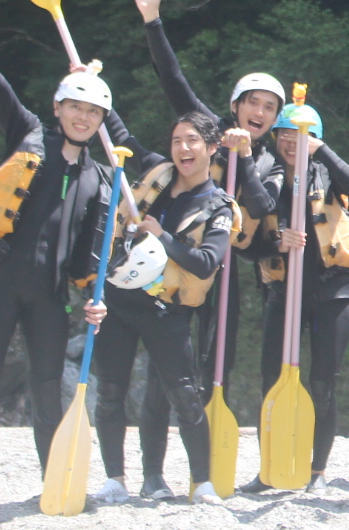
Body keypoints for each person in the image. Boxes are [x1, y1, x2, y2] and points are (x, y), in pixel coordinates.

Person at [0, 0, 118, 517]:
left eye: (92, 111)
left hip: (48, 296)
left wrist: (94, 298)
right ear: (59, 108)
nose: (82, 117)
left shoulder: (99, 179)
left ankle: (51, 482)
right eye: (75, 107)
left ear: (101, 119)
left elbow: (87, 259)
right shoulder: (28, 135)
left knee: (46, 391)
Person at [123, 0, 283, 400]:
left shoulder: (272, 160)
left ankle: (209, 434)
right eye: (253, 102)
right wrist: (153, 20)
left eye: (269, 107)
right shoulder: (208, 131)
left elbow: (262, 205)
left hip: (222, 262)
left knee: (218, 357)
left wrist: (245, 157)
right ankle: (159, 436)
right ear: (236, 106)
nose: (260, 112)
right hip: (176, 252)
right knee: (167, 355)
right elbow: (173, 82)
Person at [85, 110, 240, 506]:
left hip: (164, 308)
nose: (183, 148)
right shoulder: (158, 175)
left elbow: (206, 261)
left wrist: (162, 236)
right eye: (176, 141)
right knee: (111, 392)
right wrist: (95, 91)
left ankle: (201, 482)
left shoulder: (219, 207)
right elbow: (116, 129)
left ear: (211, 148)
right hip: (119, 300)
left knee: (184, 394)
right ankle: (115, 478)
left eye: (192, 141)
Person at [236, 99, 349, 494]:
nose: (292, 142)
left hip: (333, 292)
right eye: (286, 135)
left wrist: (320, 148)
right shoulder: (266, 175)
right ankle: (269, 468)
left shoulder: (328, 174)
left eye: (301, 135)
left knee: (323, 382)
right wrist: (277, 243)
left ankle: (317, 471)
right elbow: (245, 246)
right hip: (282, 292)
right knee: (271, 381)